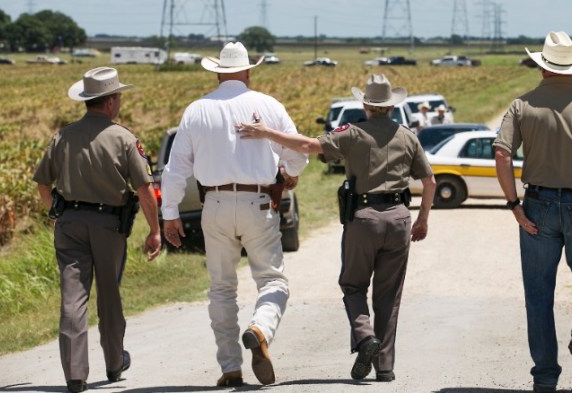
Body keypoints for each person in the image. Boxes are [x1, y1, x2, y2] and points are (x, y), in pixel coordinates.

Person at [237, 73, 436, 382]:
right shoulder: (408, 136)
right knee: (389, 295)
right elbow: (430, 181)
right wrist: (423, 218)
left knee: (354, 285)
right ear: (393, 106)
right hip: (399, 218)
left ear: (365, 104)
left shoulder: (353, 132)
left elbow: (307, 145)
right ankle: (384, 367)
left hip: (364, 217)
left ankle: (365, 336)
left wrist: (266, 132)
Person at [160, 41, 308, 387]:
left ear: (216, 72)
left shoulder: (196, 110)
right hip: (257, 203)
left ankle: (230, 367)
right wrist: (289, 172)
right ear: (248, 70)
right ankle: (260, 327)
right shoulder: (267, 105)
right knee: (272, 280)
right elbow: (297, 151)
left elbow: (175, 168)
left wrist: (170, 214)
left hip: (215, 204)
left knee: (221, 288)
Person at [493, 31, 572, 393]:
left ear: (542, 64)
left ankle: (546, 378)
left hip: (537, 206)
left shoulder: (522, 105)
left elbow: (502, 154)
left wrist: (514, 205)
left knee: (538, 294)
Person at [33, 67, 162, 393]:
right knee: (109, 294)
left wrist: (55, 213)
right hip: (108, 225)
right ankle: (115, 362)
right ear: (110, 101)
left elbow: (42, 182)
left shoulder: (62, 136)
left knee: (73, 297)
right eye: (118, 96)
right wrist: (154, 230)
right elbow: (145, 189)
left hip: (69, 224)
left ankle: (75, 375)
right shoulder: (124, 138)